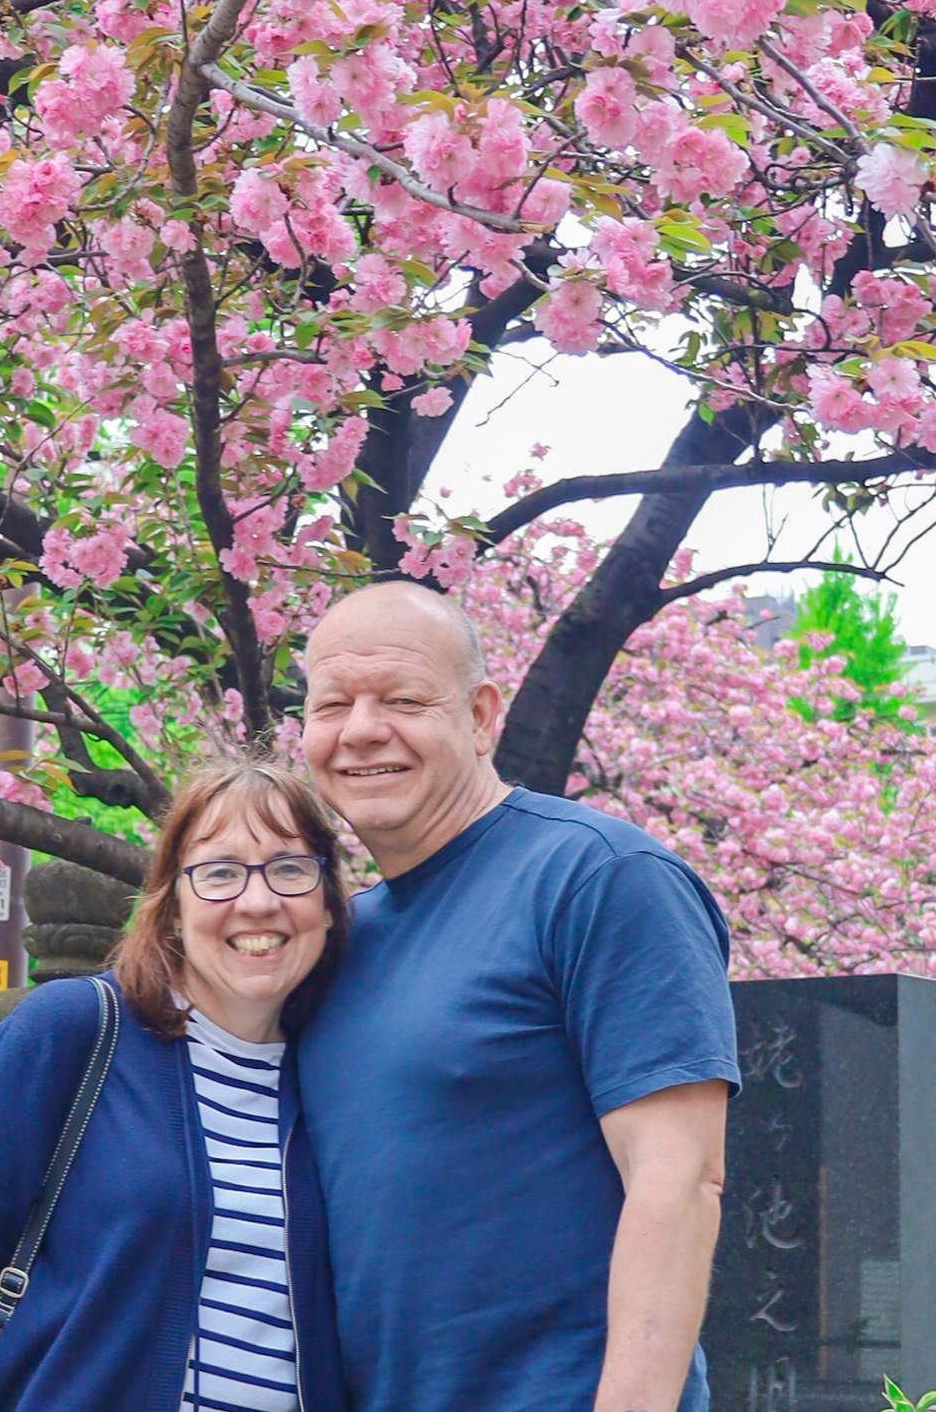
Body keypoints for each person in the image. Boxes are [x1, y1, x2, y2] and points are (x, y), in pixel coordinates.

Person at [294, 581, 740, 1412]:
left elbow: (678, 1178)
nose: (361, 729)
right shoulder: (338, 938)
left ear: (481, 715)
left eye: (402, 698)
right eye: (333, 705)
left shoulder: (601, 878)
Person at [0, 757, 352, 1412]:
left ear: (328, 903)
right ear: (173, 907)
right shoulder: (74, 1029)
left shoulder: (342, 1077)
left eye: (291, 868)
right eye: (219, 872)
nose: (259, 900)